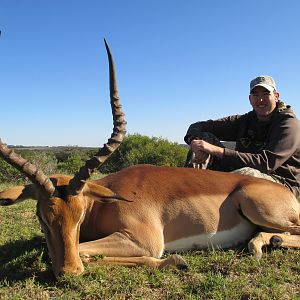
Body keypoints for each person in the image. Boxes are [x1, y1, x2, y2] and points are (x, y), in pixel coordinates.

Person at [184, 75, 300, 198]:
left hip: (280, 183)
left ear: (276, 96)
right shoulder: (244, 121)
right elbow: (198, 126)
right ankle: (185, 194)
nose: (260, 100)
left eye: (266, 94)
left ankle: (208, 203)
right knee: (205, 138)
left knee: (244, 175)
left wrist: (217, 150)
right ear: (250, 99)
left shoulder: (289, 125)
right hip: (240, 174)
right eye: (256, 95)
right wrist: (195, 143)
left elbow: (265, 163)